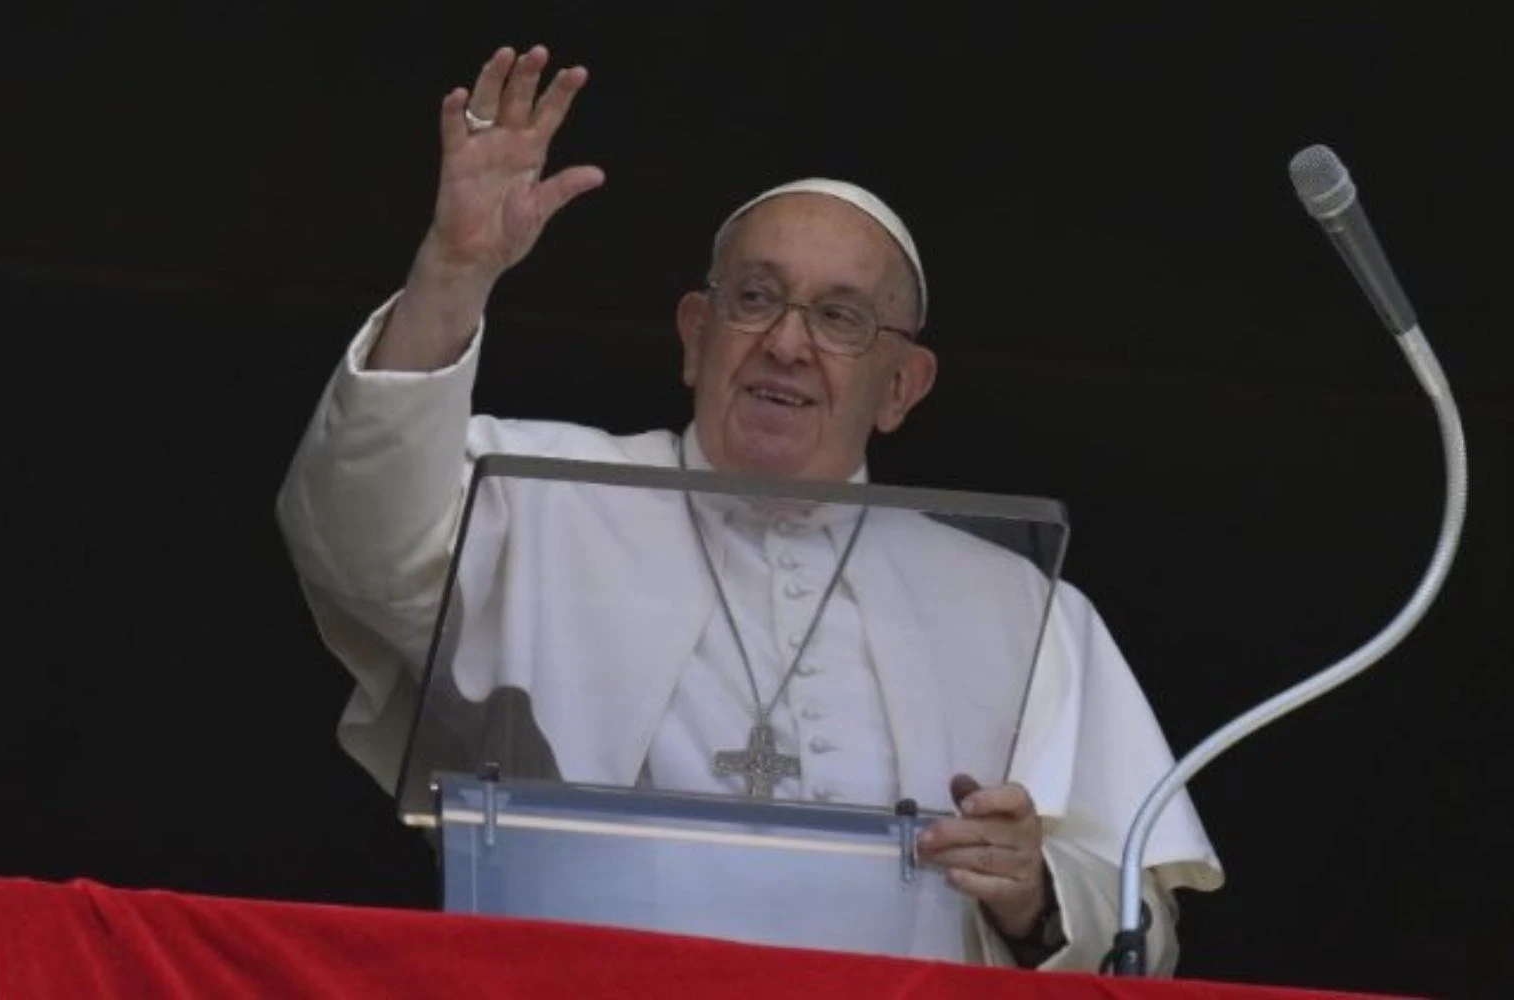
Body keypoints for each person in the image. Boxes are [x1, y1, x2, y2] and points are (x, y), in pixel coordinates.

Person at [276, 44, 1222, 973]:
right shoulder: (533, 493)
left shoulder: (1022, 607)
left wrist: (1036, 894)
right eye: (756, 298)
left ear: (901, 386)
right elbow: (358, 539)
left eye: (840, 318)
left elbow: (1142, 925)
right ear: (696, 336)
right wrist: (455, 269)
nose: (786, 343)